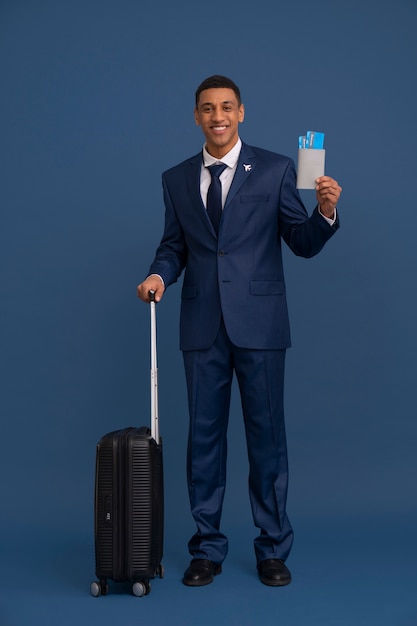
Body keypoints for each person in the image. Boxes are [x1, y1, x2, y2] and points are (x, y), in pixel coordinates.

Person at [137, 75, 342, 587]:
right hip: (201, 325)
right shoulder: (176, 178)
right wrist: (159, 275)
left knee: (266, 439)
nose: (218, 116)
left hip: (262, 326)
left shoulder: (274, 169)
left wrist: (325, 212)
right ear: (196, 117)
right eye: (207, 108)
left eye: (227, 107)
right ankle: (206, 548)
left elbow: (301, 241)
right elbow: (173, 246)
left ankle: (272, 549)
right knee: (203, 440)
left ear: (242, 112)